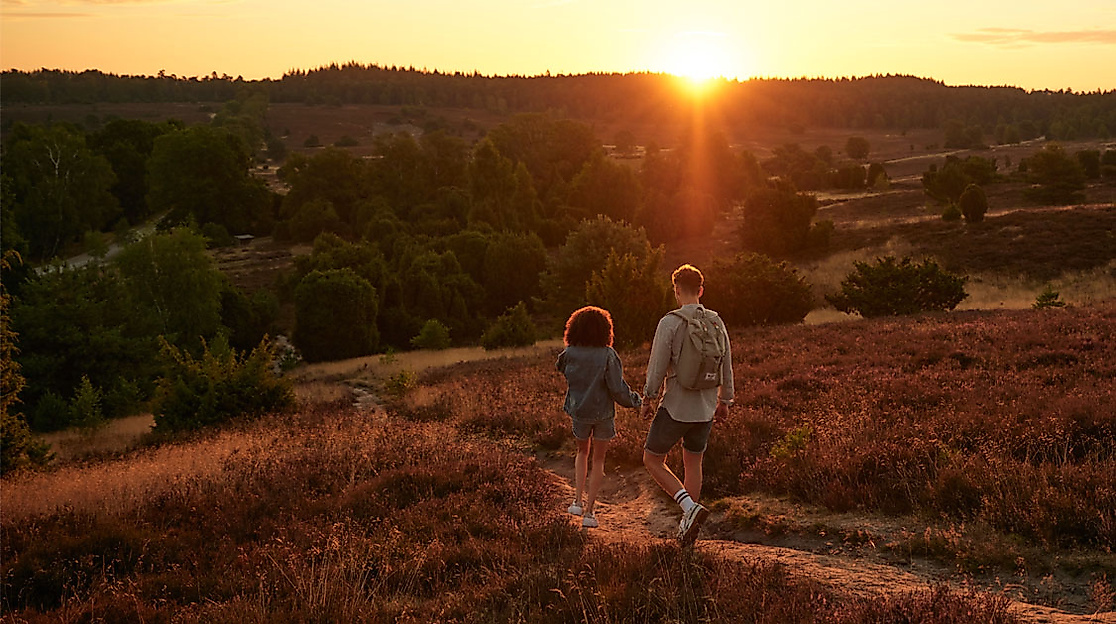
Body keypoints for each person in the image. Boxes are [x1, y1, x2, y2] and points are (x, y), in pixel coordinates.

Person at [641, 264, 734, 545]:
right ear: (701, 290)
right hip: (706, 408)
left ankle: (689, 508)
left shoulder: (670, 322)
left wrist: (648, 397)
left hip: (676, 406)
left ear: (677, 291)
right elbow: (726, 365)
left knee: (652, 459)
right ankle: (687, 530)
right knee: (693, 463)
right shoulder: (717, 321)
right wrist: (725, 401)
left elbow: (657, 366)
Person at [557, 306, 642, 528]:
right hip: (603, 414)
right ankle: (590, 512)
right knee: (599, 460)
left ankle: (576, 501)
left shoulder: (569, 353)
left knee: (581, 452)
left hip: (578, 411)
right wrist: (636, 402)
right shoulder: (608, 355)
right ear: (605, 330)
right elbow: (617, 389)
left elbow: (561, 368)